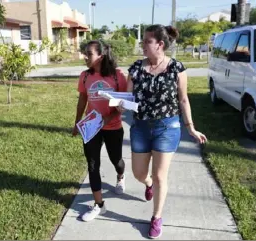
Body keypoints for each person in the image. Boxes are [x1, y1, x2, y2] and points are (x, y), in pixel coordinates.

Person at [121, 24, 207, 239]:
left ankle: (156, 217)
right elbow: (128, 98)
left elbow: (183, 99)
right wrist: (121, 105)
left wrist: (191, 128)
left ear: (159, 44)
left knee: (161, 175)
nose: (142, 45)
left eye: (146, 41)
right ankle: (147, 184)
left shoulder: (177, 68)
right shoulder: (135, 69)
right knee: (140, 174)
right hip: (140, 127)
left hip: (167, 127)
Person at [72, 40, 128, 222]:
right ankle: (99, 205)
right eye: (85, 53)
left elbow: (123, 104)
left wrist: (108, 118)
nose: (85, 57)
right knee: (93, 164)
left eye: (89, 53)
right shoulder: (85, 76)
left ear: (101, 56)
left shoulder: (118, 76)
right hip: (91, 127)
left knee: (116, 160)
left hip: (113, 127)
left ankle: (121, 175)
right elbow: (82, 100)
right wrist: (77, 122)